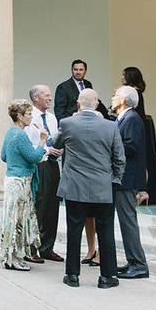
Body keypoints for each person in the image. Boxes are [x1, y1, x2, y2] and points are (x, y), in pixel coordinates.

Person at [53, 89, 125, 289]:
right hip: (103, 186)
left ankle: (72, 275)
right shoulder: (110, 126)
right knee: (106, 232)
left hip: (75, 187)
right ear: (97, 103)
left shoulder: (67, 123)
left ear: (78, 104)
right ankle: (107, 276)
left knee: (74, 232)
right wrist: (115, 179)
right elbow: (120, 158)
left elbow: (55, 144)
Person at [0, 100, 46, 271]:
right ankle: (14, 257)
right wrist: (42, 141)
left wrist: (16, 160)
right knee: (18, 220)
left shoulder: (10, 132)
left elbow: (4, 156)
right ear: (19, 116)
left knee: (11, 219)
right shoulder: (20, 134)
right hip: (20, 181)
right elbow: (34, 157)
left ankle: (10, 256)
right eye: (28, 114)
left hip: (11, 179)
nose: (31, 117)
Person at [110, 85, 150, 280]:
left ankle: (139, 264)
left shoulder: (131, 118)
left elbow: (131, 146)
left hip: (127, 179)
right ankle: (132, 261)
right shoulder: (125, 117)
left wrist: (109, 144)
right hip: (123, 178)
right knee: (126, 222)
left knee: (128, 222)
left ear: (124, 100)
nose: (112, 97)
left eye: (116, 95)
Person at [25, 85, 64, 263]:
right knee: (38, 205)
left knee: (52, 206)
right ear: (36, 98)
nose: (50, 98)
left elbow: (56, 138)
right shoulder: (28, 116)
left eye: (50, 95)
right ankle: (31, 248)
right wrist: (48, 150)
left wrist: (59, 149)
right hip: (38, 164)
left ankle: (47, 248)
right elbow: (29, 144)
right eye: (46, 95)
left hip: (53, 165)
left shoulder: (52, 118)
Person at [121, 66, 156, 204]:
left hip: (137, 133)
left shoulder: (132, 94)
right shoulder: (138, 92)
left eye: (123, 75)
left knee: (142, 162)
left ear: (129, 77)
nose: (121, 77)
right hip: (142, 131)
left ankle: (144, 192)